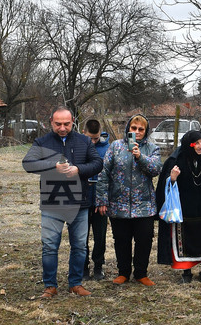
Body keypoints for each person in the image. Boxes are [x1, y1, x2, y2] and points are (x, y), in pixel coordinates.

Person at [23, 106, 102, 298]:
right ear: (51, 122)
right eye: (58, 124)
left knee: (79, 246)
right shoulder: (42, 142)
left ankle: (75, 283)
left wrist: (79, 170)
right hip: (52, 202)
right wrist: (53, 166)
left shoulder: (84, 141)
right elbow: (28, 163)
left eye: (66, 124)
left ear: (73, 121)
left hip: (79, 203)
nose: (62, 128)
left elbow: (97, 163)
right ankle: (50, 285)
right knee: (50, 246)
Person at [96, 114, 162, 287]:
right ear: (128, 129)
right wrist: (102, 199)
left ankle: (141, 273)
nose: (137, 132)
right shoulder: (115, 146)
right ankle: (123, 272)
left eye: (141, 129)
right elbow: (104, 173)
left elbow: (156, 169)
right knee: (121, 240)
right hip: (119, 203)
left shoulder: (152, 148)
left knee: (144, 240)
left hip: (144, 205)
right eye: (134, 128)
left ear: (146, 131)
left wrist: (140, 156)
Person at [157, 130, 201, 283]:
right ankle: (186, 273)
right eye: (196, 143)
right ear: (189, 145)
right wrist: (172, 178)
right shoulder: (175, 160)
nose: (200, 146)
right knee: (186, 240)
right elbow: (164, 186)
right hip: (184, 210)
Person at [83, 119, 110, 281]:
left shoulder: (107, 148)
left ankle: (98, 266)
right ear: (83, 133)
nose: (93, 142)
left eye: (96, 138)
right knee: (82, 237)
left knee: (100, 237)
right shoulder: (78, 146)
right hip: (83, 200)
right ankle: (83, 267)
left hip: (101, 201)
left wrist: (103, 199)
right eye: (90, 138)